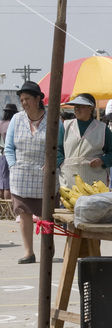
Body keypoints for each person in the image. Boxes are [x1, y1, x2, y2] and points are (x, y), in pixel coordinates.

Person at [3, 82, 57, 263]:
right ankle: (29, 252)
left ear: (38, 99)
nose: (24, 103)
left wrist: (52, 164)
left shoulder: (53, 119)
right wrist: (13, 165)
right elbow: (9, 148)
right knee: (24, 213)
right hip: (21, 175)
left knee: (46, 215)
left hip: (45, 174)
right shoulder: (17, 120)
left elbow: (61, 149)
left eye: (27, 99)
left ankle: (47, 250)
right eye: (21, 100)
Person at [57, 93, 112, 189]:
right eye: (75, 106)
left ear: (90, 108)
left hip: (94, 182)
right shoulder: (66, 126)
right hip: (68, 181)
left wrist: (102, 160)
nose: (76, 109)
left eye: (80, 106)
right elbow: (57, 150)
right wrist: (62, 164)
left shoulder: (102, 129)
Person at [0, 103, 18, 200]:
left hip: (3, 154)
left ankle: (3, 207)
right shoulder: (15, 123)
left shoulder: (1, 123)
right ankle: (8, 208)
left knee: (3, 181)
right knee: (9, 184)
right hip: (13, 154)